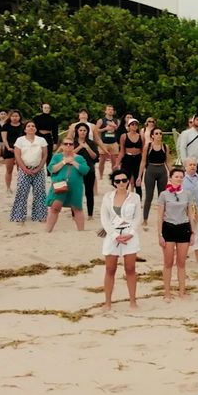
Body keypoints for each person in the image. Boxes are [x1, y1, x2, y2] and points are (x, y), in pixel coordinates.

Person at [100, 169, 141, 310]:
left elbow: (137, 217)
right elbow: (104, 218)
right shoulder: (107, 197)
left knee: (130, 268)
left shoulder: (135, 197)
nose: (121, 183)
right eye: (118, 181)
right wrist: (114, 236)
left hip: (129, 235)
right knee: (110, 269)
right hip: (113, 235)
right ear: (114, 183)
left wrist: (131, 233)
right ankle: (108, 302)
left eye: (124, 180)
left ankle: (133, 301)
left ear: (128, 181)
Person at [158, 167, 194, 300]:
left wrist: (193, 232)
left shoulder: (187, 194)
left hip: (183, 227)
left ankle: (182, 292)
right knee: (168, 263)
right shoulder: (164, 194)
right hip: (168, 228)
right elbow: (160, 216)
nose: (179, 179)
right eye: (176, 176)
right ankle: (167, 293)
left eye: (181, 177)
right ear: (170, 178)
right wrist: (160, 235)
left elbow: (190, 213)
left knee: (181, 263)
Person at [46, 137, 90, 233]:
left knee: (77, 208)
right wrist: (64, 162)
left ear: (74, 146)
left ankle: (81, 232)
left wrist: (74, 162)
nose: (68, 146)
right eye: (66, 144)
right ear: (61, 146)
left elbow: (85, 170)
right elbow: (51, 169)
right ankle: (47, 231)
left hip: (76, 187)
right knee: (54, 208)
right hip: (59, 185)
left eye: (70, 144)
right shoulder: (56, 157)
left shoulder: (79, 158)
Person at [139, 126, 170, 226]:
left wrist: (172, 173)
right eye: (156, 133)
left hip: (162, 171)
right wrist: (139, 176)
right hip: (150, 171)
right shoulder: (147, 146)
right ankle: (145, 219)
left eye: (160, 133)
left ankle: (163, 218)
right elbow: (143, 161)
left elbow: (168, 161)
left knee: (162, 196)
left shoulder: (165, 147)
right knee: (149, 196)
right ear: (152, 135)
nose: (159, 135)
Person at [72, 123, 99, 219]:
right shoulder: (72, 142)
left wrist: (87, 147)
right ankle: (74, 214)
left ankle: (90, 215)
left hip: (89, 170)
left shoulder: (91, 143)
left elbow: (95, 157)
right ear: (77, 131)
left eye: (84, 130)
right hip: (75, 170)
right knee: (75, 192)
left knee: (89, 192)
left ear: (87, 132)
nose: (83, 132)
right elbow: (69, 154)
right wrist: (80, 147)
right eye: (81, 130)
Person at [0, 110, 24, 192]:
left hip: (21, 149)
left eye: (16, 116)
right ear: (10, 117)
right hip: (9, 149)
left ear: (19, 117)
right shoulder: (6, 126)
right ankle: (8, 187)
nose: (15, 118)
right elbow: (4, 138)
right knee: (9, 170)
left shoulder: (23, 126)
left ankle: (21, 187)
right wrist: (8, 147)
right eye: (13, 116)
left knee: (21, 170)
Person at [119, 119, 144, 186]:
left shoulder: (141, 136)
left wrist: (144, 162)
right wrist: (117, 163)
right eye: (132, 124)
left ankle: (137, 192)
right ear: (129, 126)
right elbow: (122, 151)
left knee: (138, 182)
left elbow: (143, 151)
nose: (134, 126)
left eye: (136, 124)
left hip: (138, 158)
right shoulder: (124, 136)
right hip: (127, 158)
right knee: (125, 180)